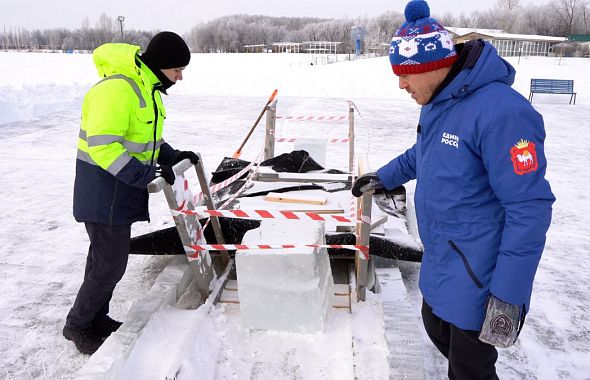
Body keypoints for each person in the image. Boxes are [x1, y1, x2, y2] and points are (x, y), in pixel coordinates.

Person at [352, 1, 555, 378]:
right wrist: (385, 176)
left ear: (430, 66)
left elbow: (530, 208)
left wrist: (508, 297)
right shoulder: (440, 102)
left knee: (469, 369)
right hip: (443, 260)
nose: (401, 85)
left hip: (480, 276)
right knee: (437, 332)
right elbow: (424, 153)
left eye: (405, 75)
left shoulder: (503, 114)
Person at [64, 31, 200, 355]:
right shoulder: (118, 89)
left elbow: (145, 141)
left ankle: (96, 317)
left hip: (117, 191)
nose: (180, 77)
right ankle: (78, 325)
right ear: (162, 64)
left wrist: (170, 156)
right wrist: (144, 173)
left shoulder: (145, 88)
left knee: (102, 261)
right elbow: (103, 145)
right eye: (177, 69)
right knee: (110, 265)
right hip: (103, 191)